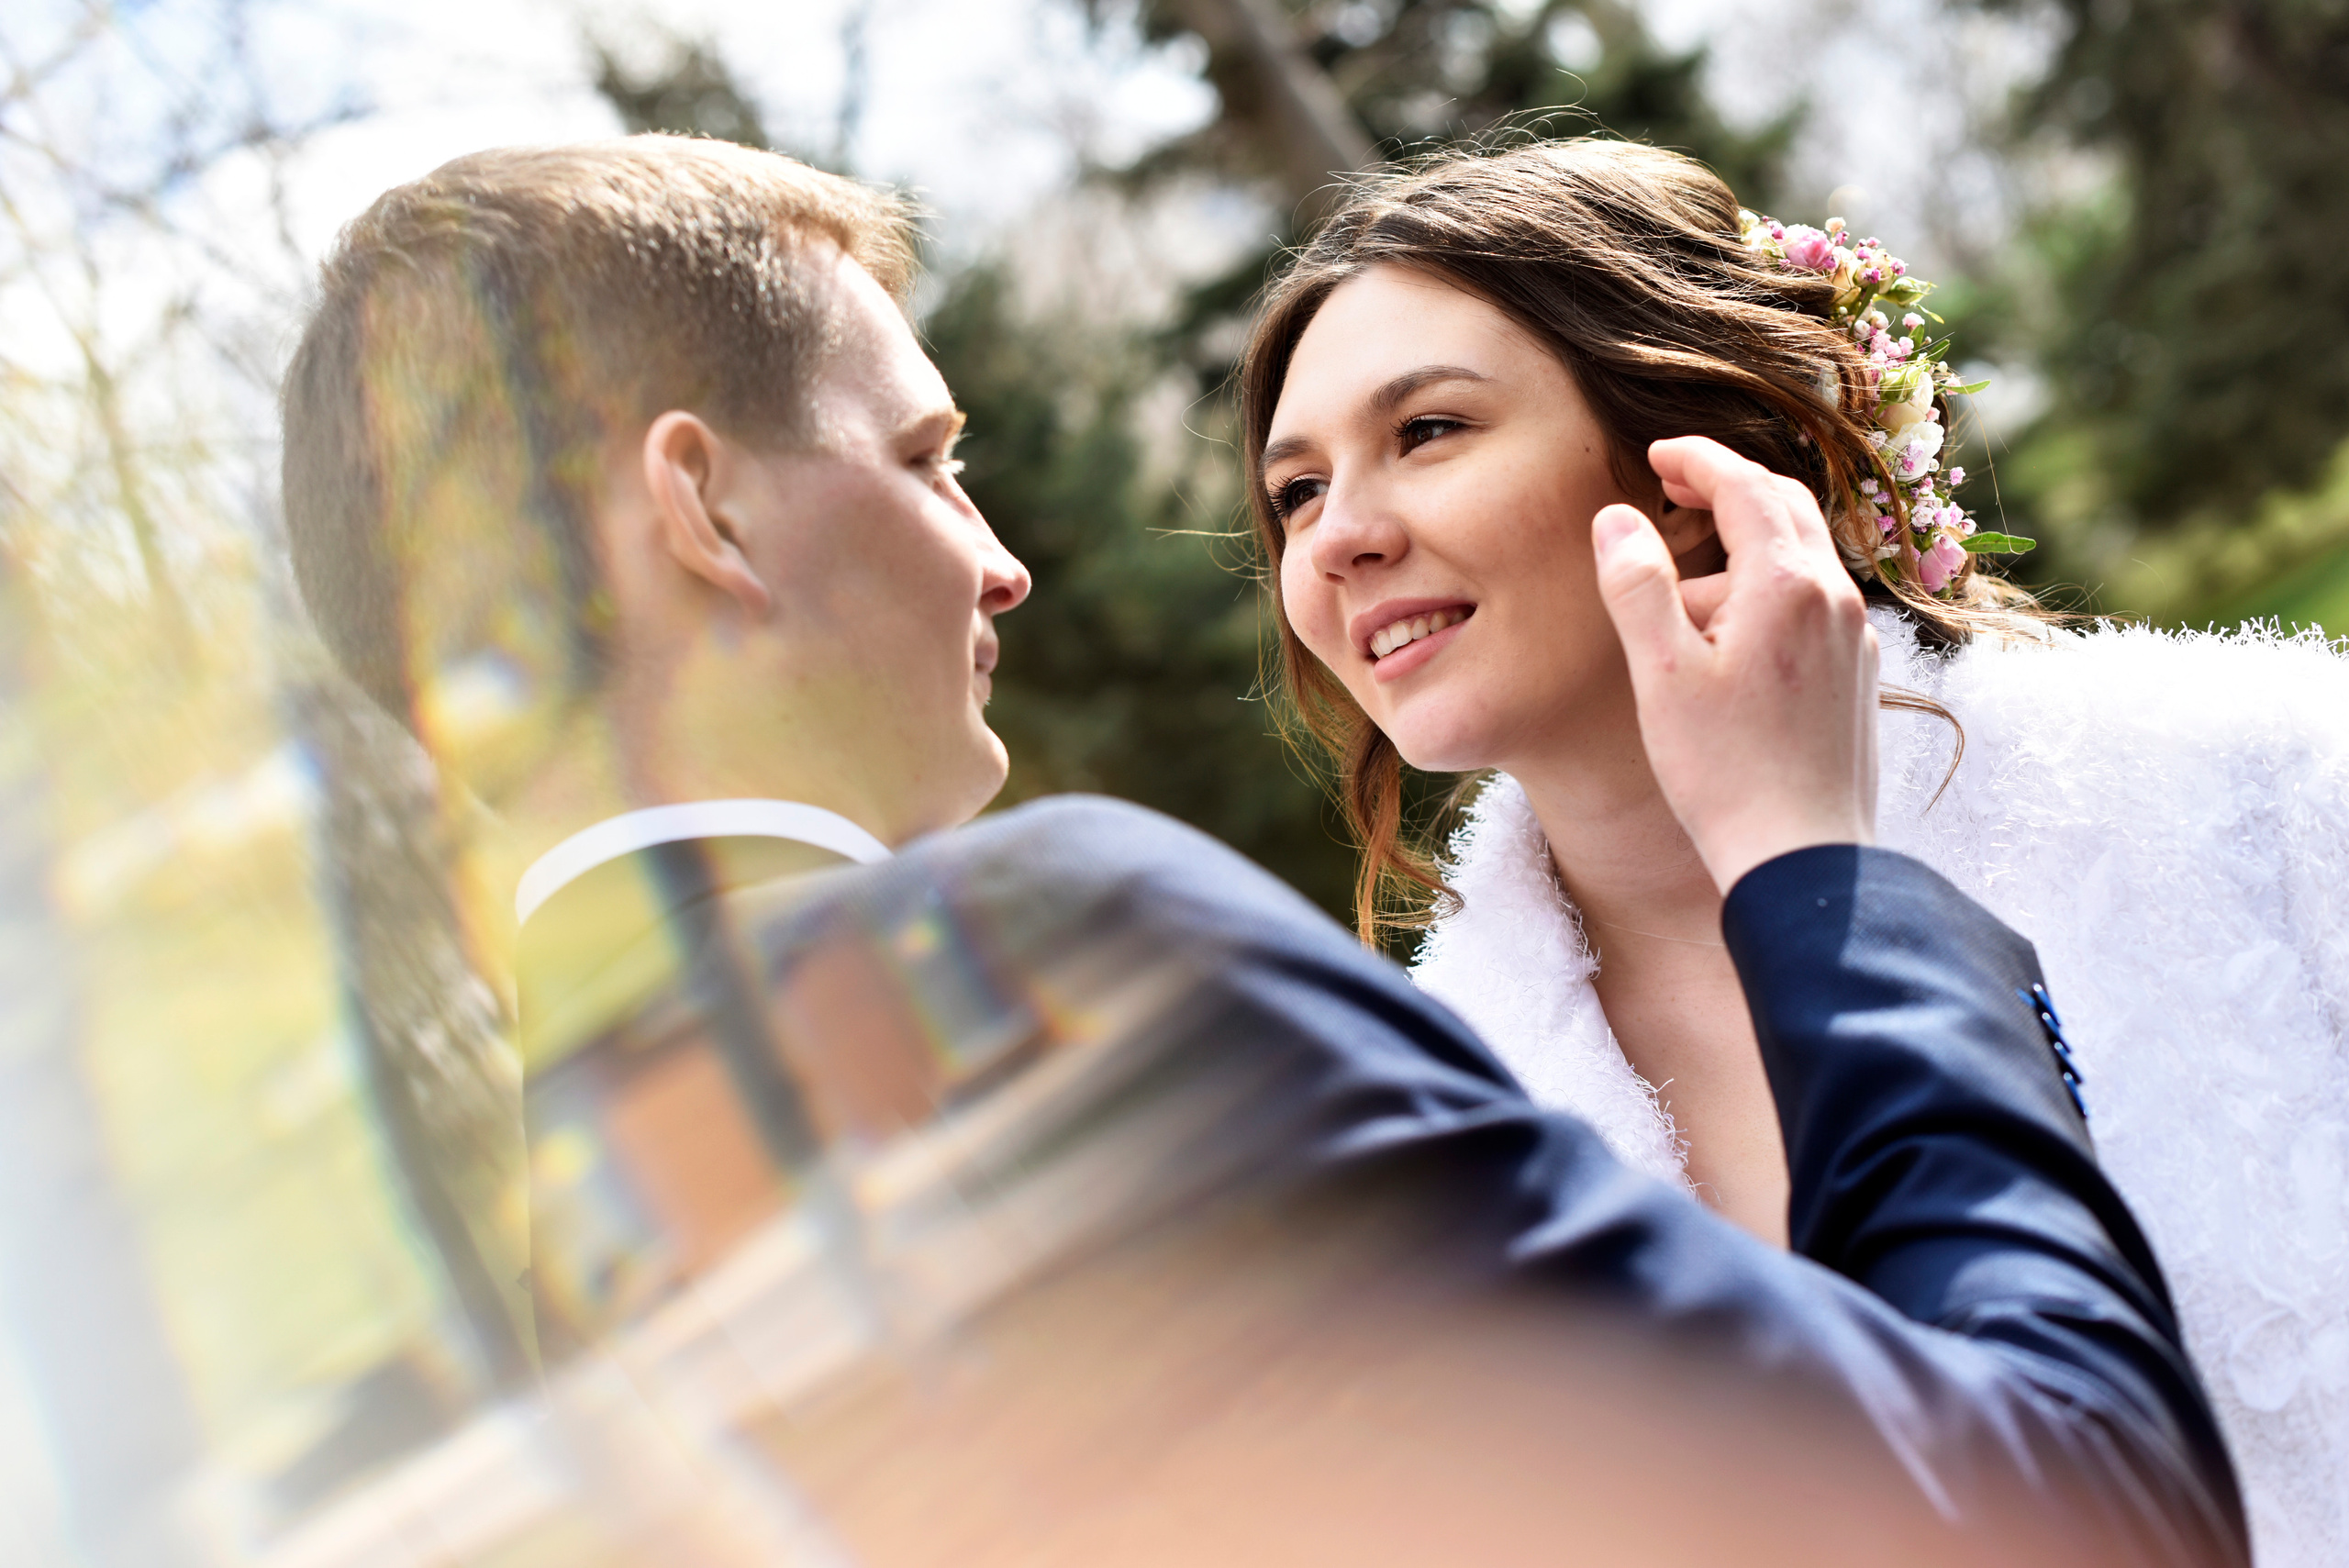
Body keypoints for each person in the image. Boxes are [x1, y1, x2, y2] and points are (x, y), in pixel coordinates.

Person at [279, 135, 2244, 1563]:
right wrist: (1821, 869)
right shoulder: (1050, 984)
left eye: (1425, 434)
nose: (999, 560)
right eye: (926, 461)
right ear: (703, 511)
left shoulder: (499, 1342)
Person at [1240, 136, 2349, 1565]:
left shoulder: (2260, 783)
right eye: (1296, 492)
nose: (1338, 537)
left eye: (1429, 429)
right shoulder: (1414, 1157)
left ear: (1690, 459)